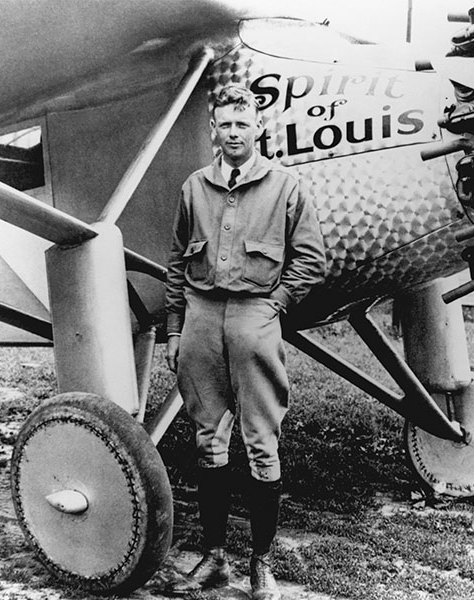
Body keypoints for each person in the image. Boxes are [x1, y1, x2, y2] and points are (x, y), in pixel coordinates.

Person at [163, 84, 326, 600]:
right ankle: (214, 558)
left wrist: (275, 303)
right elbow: (175, 266)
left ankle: (261, 563)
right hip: (200, 320)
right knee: (208, 438)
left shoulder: (286, 187)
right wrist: (173, 329)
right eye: (225, 125)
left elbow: (312, 260)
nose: (234, 133)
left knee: (261, 442)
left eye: (242, 124)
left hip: (256, 318)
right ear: (214, 130)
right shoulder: (194, 188)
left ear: (258, 128)